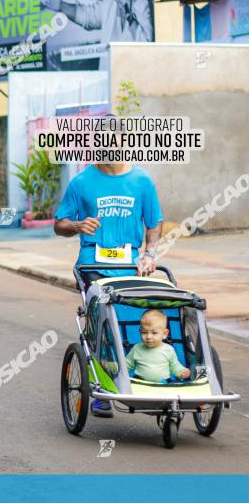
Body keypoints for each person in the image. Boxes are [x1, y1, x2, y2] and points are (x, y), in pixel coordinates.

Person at [54, 159, 163, 416]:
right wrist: (78, 225)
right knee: (103, 319)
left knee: (137, 320)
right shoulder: (81, 182)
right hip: (92, 264)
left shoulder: (142, 181)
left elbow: (154, 223)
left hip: (131, 264)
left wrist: (150, 254)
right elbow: (59, 224)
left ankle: (142, 380)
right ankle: (101, 387)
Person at [126, 310, 190, 382]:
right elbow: (126, 364)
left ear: (165, 334)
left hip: (162, 383)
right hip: (140, 383)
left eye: (154, 333)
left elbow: (174, 365)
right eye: (144, 332)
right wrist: (116, 368)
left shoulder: (169, 349)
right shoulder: (137, 348)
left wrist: (181, 372)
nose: (148, 337)